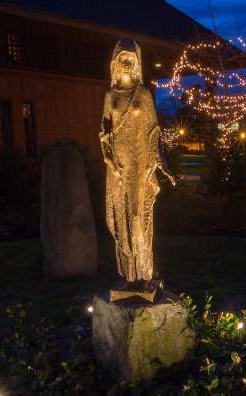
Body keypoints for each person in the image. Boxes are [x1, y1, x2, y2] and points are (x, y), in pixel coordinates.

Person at [99, 38, 174, 287]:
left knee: (138, 216)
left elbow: (153, 129)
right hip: (118, 167)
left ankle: (143, 272)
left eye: (132, 59)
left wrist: (158, 161)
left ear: (137, 62)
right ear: (116, 62)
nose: (128, 64)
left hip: (139, 165)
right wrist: (109, 158)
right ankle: (128, 275)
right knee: (121, 218)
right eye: (123, 59)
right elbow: (104, 129)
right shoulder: (111, 95)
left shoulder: (143, 94)